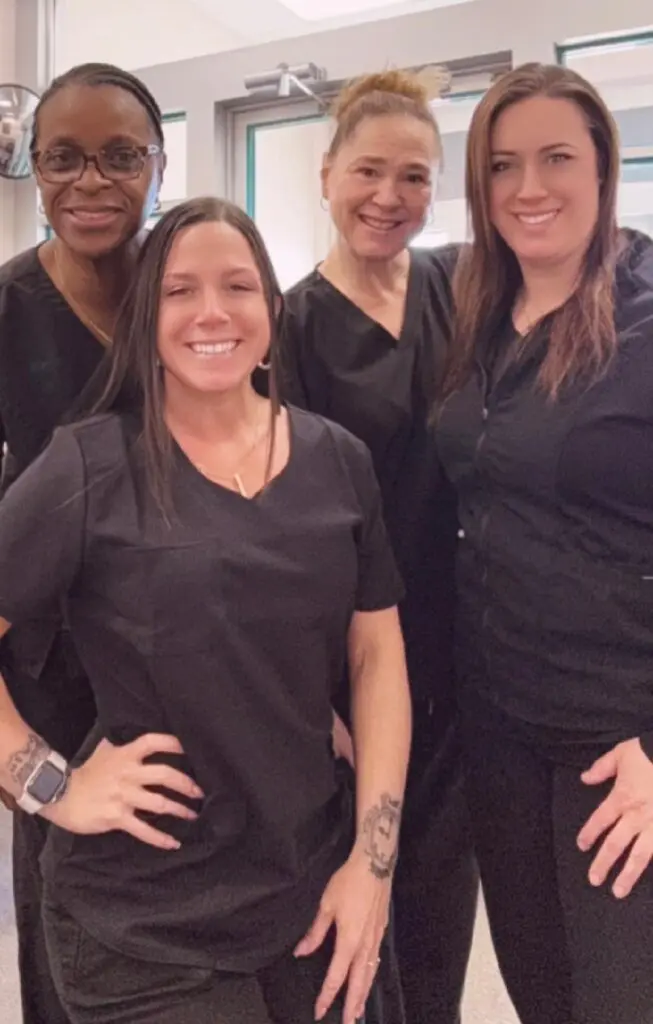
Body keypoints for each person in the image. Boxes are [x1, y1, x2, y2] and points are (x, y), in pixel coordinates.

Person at [0, 195, 412, 1024]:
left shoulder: (339, 461)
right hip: (143, 924)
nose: (212, 313)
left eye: (237, 287)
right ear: (146, 316)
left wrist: (373, 866)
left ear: (273, 307)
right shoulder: (87, 464)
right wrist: (50, 785)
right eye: (181, 291)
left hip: (313, 889)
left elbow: (376, 661)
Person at [436, 62, 653, 1024]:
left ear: (604, 167)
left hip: (616, 747)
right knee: (542, 999)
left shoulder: (644, 317)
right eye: (502, 165)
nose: (529, 189)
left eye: (556, 158)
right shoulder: (472, 313)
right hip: (496, 732)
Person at [278, 71, 478, 1024]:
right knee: (357, 925)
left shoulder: (456, 287)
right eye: (367, 171)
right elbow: (283, 524)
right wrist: (317, 692)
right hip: (351, 665)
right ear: (325, 176)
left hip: (464, 652)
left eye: (412, 177)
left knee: (441, 911)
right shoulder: (290, 324)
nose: (387, 198)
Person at [0, 61, 166, 1024]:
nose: (91, 182)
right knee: (70, 950)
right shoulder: (11, 306)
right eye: (63, 158)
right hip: (57, 683)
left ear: (157, 162)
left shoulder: (187, 296)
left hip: (195, 650)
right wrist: (30, 768)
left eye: (119, 156)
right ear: (33, 167)